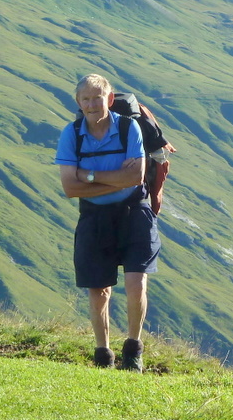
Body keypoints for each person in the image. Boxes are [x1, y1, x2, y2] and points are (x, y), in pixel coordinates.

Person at [55, 73, 161, 372]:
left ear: (109, 99)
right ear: (78, 102)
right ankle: (103, 353)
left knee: (136, 281)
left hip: (134, 213)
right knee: (98, 289)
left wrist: (88, 175)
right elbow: (69, 188)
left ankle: (133, 350)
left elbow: (136, 177)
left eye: (97, 98)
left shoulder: (130, 128)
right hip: (94, 217)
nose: (91, 104)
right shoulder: (71, 134)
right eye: (85, 99)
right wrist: (115, 180)